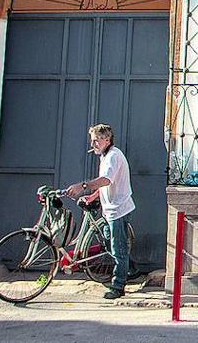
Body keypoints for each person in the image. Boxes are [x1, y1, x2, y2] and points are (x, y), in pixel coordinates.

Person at [66, 123, 135, 299]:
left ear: (107, 139)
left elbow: (106, 179)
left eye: (96, 140)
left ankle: (118, 287)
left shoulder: (113, 156)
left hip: (117, 209)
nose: (93, 144)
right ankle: (131, 269)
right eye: (92, 141)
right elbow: (108, 183)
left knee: (117, 248)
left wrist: (83, 186)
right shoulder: (105, 156)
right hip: (109, 209)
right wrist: (94, 196)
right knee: (108, 242)